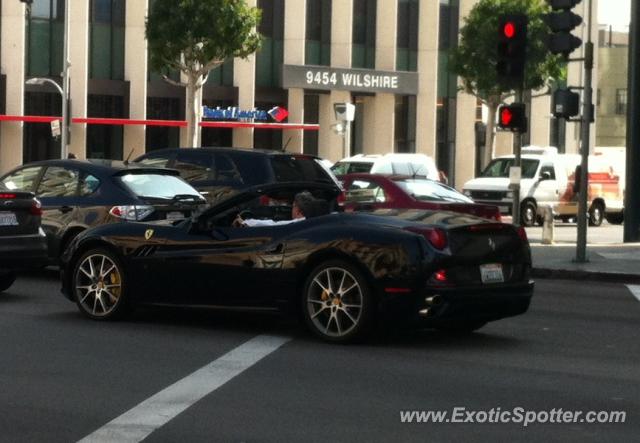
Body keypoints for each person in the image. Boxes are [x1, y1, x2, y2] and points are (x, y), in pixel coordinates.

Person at [233, 191, 317, 227]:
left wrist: (244, 222)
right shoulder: (313, 221)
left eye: (293, 206)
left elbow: (271, 224)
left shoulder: (296, 224)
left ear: (298, 211)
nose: (291, 208)